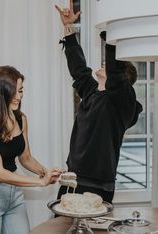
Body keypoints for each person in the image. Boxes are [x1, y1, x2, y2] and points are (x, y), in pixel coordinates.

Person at [55, 0, 143, 203]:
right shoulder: (92, 92)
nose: (104, 64)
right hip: (73, 179)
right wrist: (68, 28)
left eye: (109, 66)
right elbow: (78, 70)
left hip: (97, 185)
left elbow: (116, 72)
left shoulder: (120, 104)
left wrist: (112, 35)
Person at [0, 65, 64, 234]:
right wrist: (40, 182)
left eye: (21, 91)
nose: (18, 96)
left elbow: (25, 157)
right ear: (0, 93)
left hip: (14, 194)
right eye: (13, 91)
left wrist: (46, 172)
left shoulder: (21, 119)